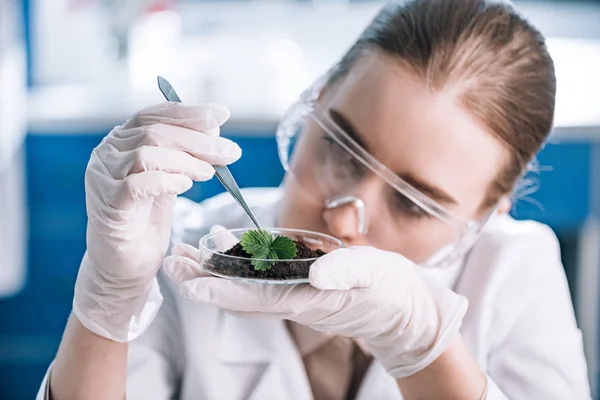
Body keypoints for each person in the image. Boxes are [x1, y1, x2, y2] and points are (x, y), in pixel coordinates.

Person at [37, 0, 591, 399]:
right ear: (315, 104)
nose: (346, 216)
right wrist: (110, 303)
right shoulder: (176, 250)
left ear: (489, 212)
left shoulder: (516, 272)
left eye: (415, 204)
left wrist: (423, 344)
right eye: (342, 152)